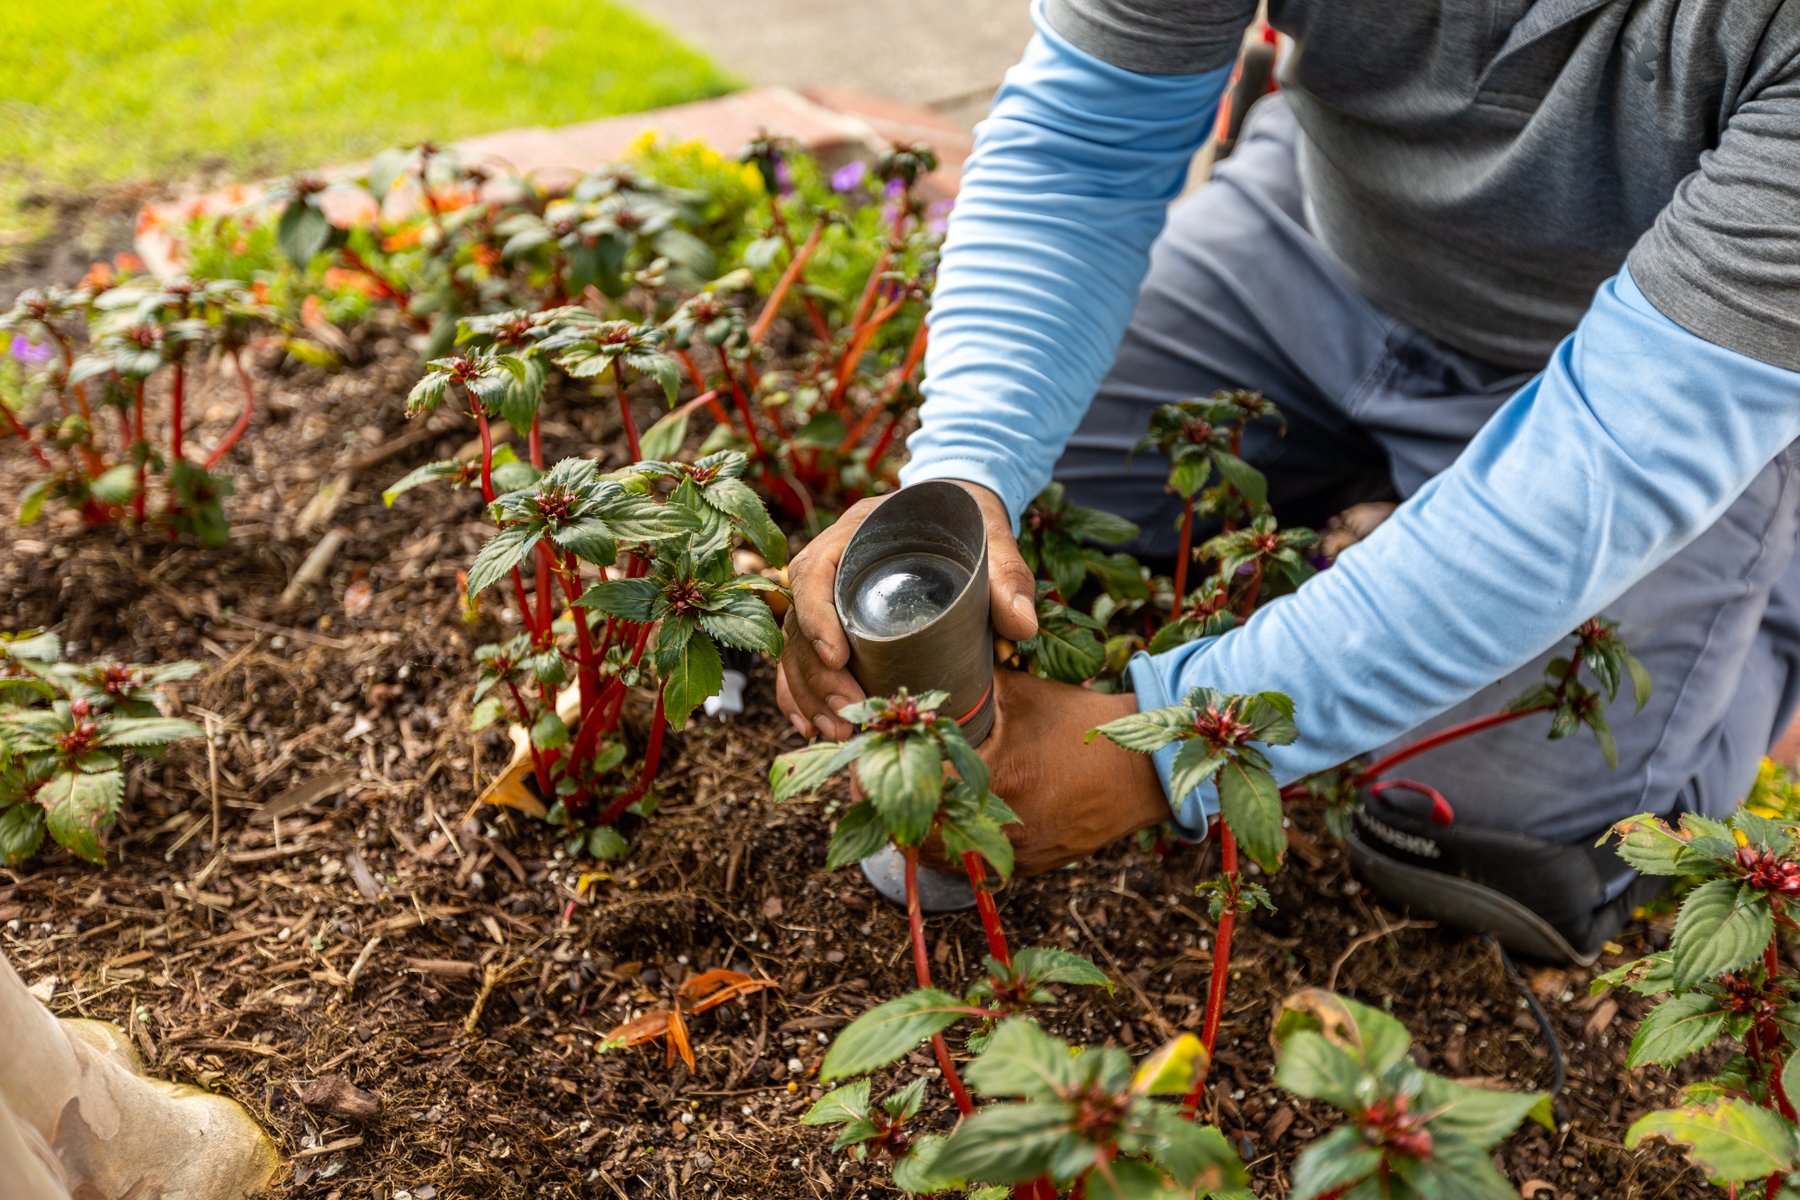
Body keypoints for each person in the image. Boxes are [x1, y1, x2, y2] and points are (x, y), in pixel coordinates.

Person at [776, 0, 1800, 964]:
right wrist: (965, 476)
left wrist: (1164, 749)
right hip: (1323, 238)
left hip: (1685, 365)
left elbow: (1618, 452)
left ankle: (1765, 581)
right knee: (1029, 527)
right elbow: (1083, 144)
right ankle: (1402, 509)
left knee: (1482, 842)